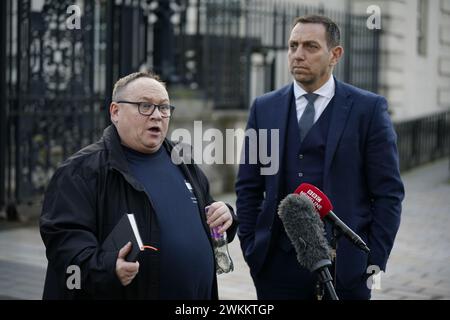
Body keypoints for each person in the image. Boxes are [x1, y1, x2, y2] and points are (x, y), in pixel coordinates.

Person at [236, 15, 404, 300]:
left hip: (346, 269)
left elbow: (388, 193)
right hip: (275, 267)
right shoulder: (264, 108)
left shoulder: (368, 109)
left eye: (310, 46)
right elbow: (248, 186)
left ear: (335, 54)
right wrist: (253, 249)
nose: (298, 55)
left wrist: (372, 260)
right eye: (293, 45)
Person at [40, 71, 237, 299]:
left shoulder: (181, 159)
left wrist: (226, 216)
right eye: (145, 106)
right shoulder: (80, 171)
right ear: (115, 111)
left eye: (164, 107)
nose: (157, 115)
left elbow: (208, 211)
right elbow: (64, 246)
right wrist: (108, 269)